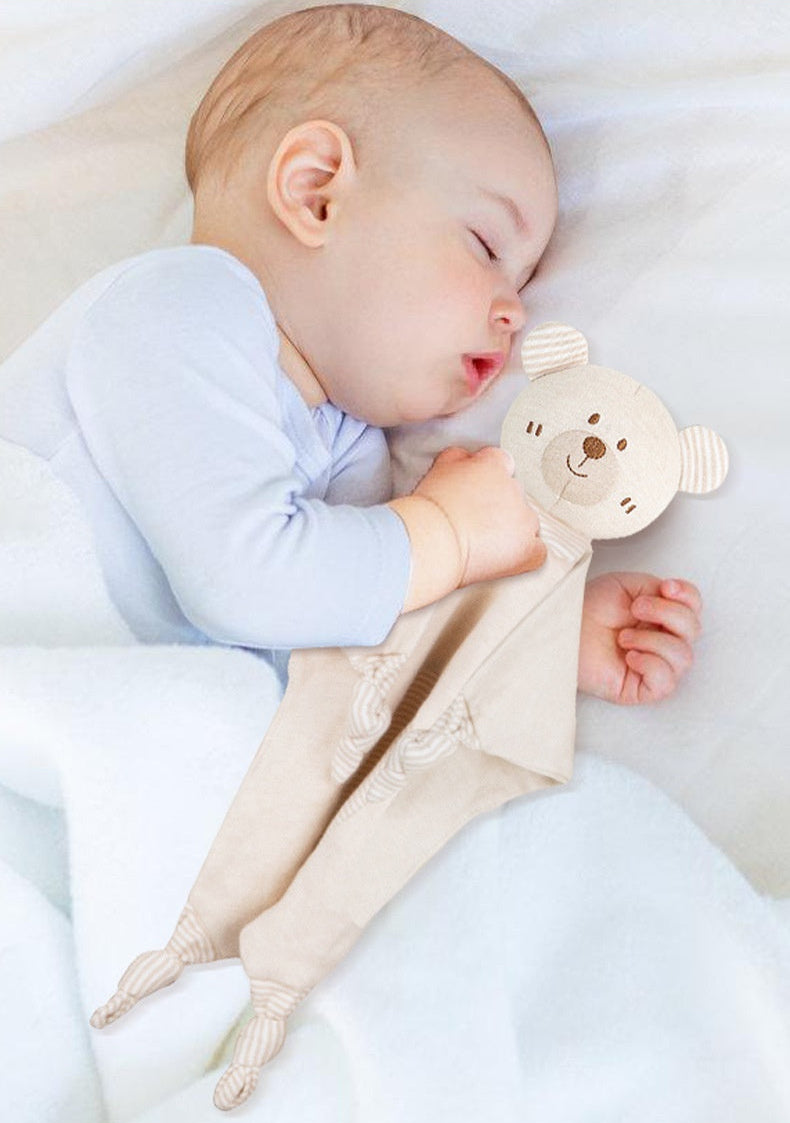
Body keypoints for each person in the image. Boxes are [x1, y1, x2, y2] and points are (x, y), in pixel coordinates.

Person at [0, 3, 700, 704]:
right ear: (316, 193)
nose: (514, 310)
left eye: (520, 281)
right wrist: (446, 533)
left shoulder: (346, 439)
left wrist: (536, 637)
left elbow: (339, 645)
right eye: (486, 246)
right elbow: (246, 582)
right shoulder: (176, 304)